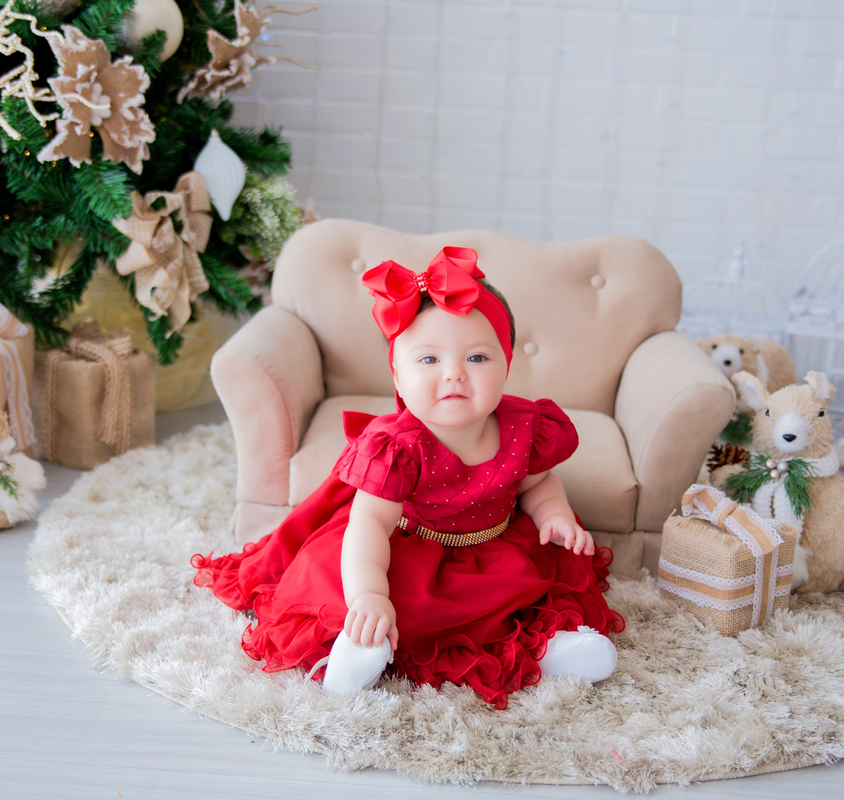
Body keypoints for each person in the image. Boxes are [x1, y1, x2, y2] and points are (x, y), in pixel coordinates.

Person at [192, 246, 624, 709]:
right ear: (397, 376)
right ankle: (363, 642)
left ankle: (549, 648)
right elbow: (369, 524)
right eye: (429, 360)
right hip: (406, 548)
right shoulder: (399, 448)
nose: (455, 374)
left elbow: (538, 482)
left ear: (507, 364)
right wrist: (370, 594)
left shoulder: (525, 427)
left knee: (526, 592)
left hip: (495, 547)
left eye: (478, 358)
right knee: (383, 603)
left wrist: (554, 516)